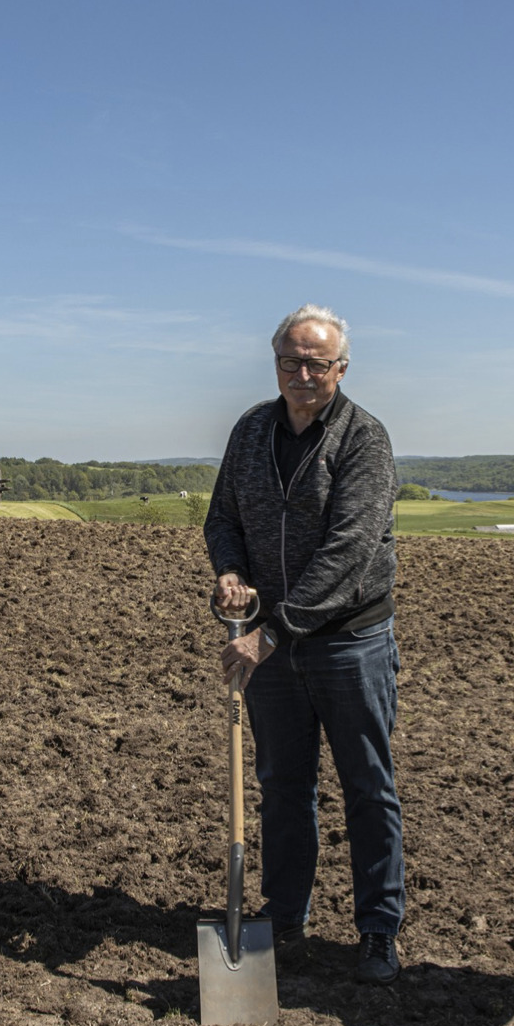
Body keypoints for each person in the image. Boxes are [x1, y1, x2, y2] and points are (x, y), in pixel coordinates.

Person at [204, 304, 405, 984]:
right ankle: (284, 916)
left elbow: (350, 551)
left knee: (368, 787)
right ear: (276, 364)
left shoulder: (363, 438)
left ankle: (377, 930)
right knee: (283, 786)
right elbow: (223, 517)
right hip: (272, 645)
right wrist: (231, 573)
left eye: (317, 363)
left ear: (341, 369)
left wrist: (271, 631)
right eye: (290, 361)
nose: (303, 373)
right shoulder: (251, 430)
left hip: (349, 643)